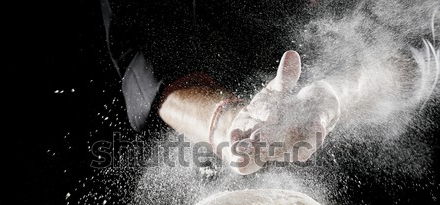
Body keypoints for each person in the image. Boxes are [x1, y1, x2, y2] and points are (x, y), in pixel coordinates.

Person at [101, 0, 341, 174]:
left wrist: (332, 99)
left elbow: (371, 58)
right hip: (191, 159)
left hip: (362, 204)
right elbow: (151, 65)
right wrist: (231, 124)